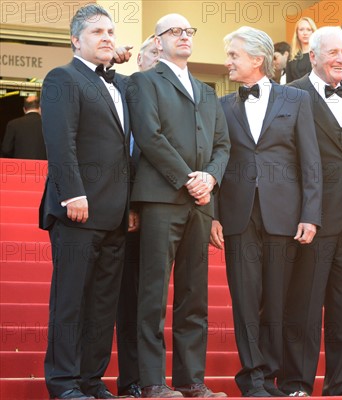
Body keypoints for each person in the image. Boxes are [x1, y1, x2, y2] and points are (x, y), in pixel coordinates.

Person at [211, 26, 322, 398]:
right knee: (244, 298)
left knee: (276, 298)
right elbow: (213, 162)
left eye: (233, 56)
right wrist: (212, 214)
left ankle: (271, 375)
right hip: (237, 213)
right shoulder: (221, 105)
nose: (227, 62)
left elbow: (311, 160)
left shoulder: (296, 99)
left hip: (284, 214)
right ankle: (253, 378)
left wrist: (311, 213)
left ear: (256, 60)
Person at [127, 13, 230, 399]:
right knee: (152, 294)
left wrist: (211, 178)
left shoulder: (206, 91)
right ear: (157, 41)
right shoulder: (144, 82)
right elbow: (149, 138)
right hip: (161, 199)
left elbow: (222, 145)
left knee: (194, 295)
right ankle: (153, 382)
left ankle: (191, 381)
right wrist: (190, 178)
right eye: (175, 31)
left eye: (189, 31)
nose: (184, 36)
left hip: (201, 203)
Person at [40, 4, 133, 399]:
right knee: (70, 302)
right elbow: (61, 141)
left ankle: (91, 381)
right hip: (78, 209)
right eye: (97, 32)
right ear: (75, 40)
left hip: (115, 214)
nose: (107, 37)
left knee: (101, 306)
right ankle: (63, 384)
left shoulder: (122, 84)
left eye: (111, 32)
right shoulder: (63, 77)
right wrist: (73, 192)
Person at [279, 26, 342, 397]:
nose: (341, 59)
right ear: (312, 56)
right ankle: (297, 382)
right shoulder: (291, 93)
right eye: (332, 52)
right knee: (306, 306)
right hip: (310, 218)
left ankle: (340, 385)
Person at [114, 32, 161, 399]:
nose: (160, 61)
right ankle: (131, 378)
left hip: (165, 211)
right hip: (126, 208)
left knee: (153, 298)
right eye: (153, 54)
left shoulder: (178, 97)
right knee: (129, 296)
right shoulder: (124, 88)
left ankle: (154, 377)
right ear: (140, 60)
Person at [1, 95, 46, 159]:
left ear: (24, 109)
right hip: (43, 167)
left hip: (20, 167)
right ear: (40, 108)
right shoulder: (49, 126)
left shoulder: (13, 124)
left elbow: (6, 150)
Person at [285, 17, 317, 83]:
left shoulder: (319, 53)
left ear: (313, 32)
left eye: (308, 29)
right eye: (301, 29)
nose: (305, 33)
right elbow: (289, 81)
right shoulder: (292, 55)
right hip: (295, 92)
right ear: (297, 33)